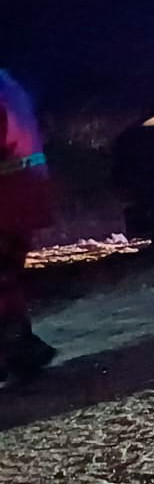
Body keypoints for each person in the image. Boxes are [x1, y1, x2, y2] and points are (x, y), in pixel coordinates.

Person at [0, 69, 56, 384]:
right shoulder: (6, 82)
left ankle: (18, 350)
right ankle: (19, 349)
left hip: (7, 198)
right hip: (20, 195)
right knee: (5, 281)